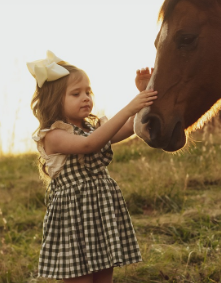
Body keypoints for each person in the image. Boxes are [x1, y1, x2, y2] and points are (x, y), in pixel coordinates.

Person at [28, 51, 157, 283]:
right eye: (76, 93)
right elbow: (89, 145)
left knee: (104, 275)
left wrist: (145, 94)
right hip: (75, 218)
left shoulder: (92, 128)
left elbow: (128, 127)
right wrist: (129, 107)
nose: (86, 97)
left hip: (100, 213)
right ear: (54, 100)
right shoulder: (54, 135)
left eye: (88, 91)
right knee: (82, 279)